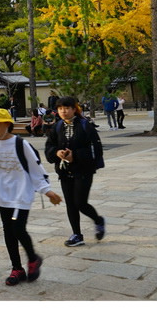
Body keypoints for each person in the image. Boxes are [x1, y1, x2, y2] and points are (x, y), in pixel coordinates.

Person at [0, 108, 62, 285]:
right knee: (8, 232)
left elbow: (35, 168)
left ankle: (33, 258)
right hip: (4, 195)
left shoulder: (20, 144)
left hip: (22, 195)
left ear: (7, 124)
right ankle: (17, 268)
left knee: (18, 228)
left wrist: (47, 191)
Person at [45, 96, 106, 247]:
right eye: (60, 109)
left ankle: (98, 220)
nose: (63, 111)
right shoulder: (57, 127)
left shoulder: (85, 126)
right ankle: (77, 234)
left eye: (66, 108)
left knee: (80, 203)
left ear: (74, 109)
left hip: (83, 170)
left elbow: (95, 149)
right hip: (64, 171)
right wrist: (56, 153)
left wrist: (76, 156)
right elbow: (49, 147)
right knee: (70, 204)